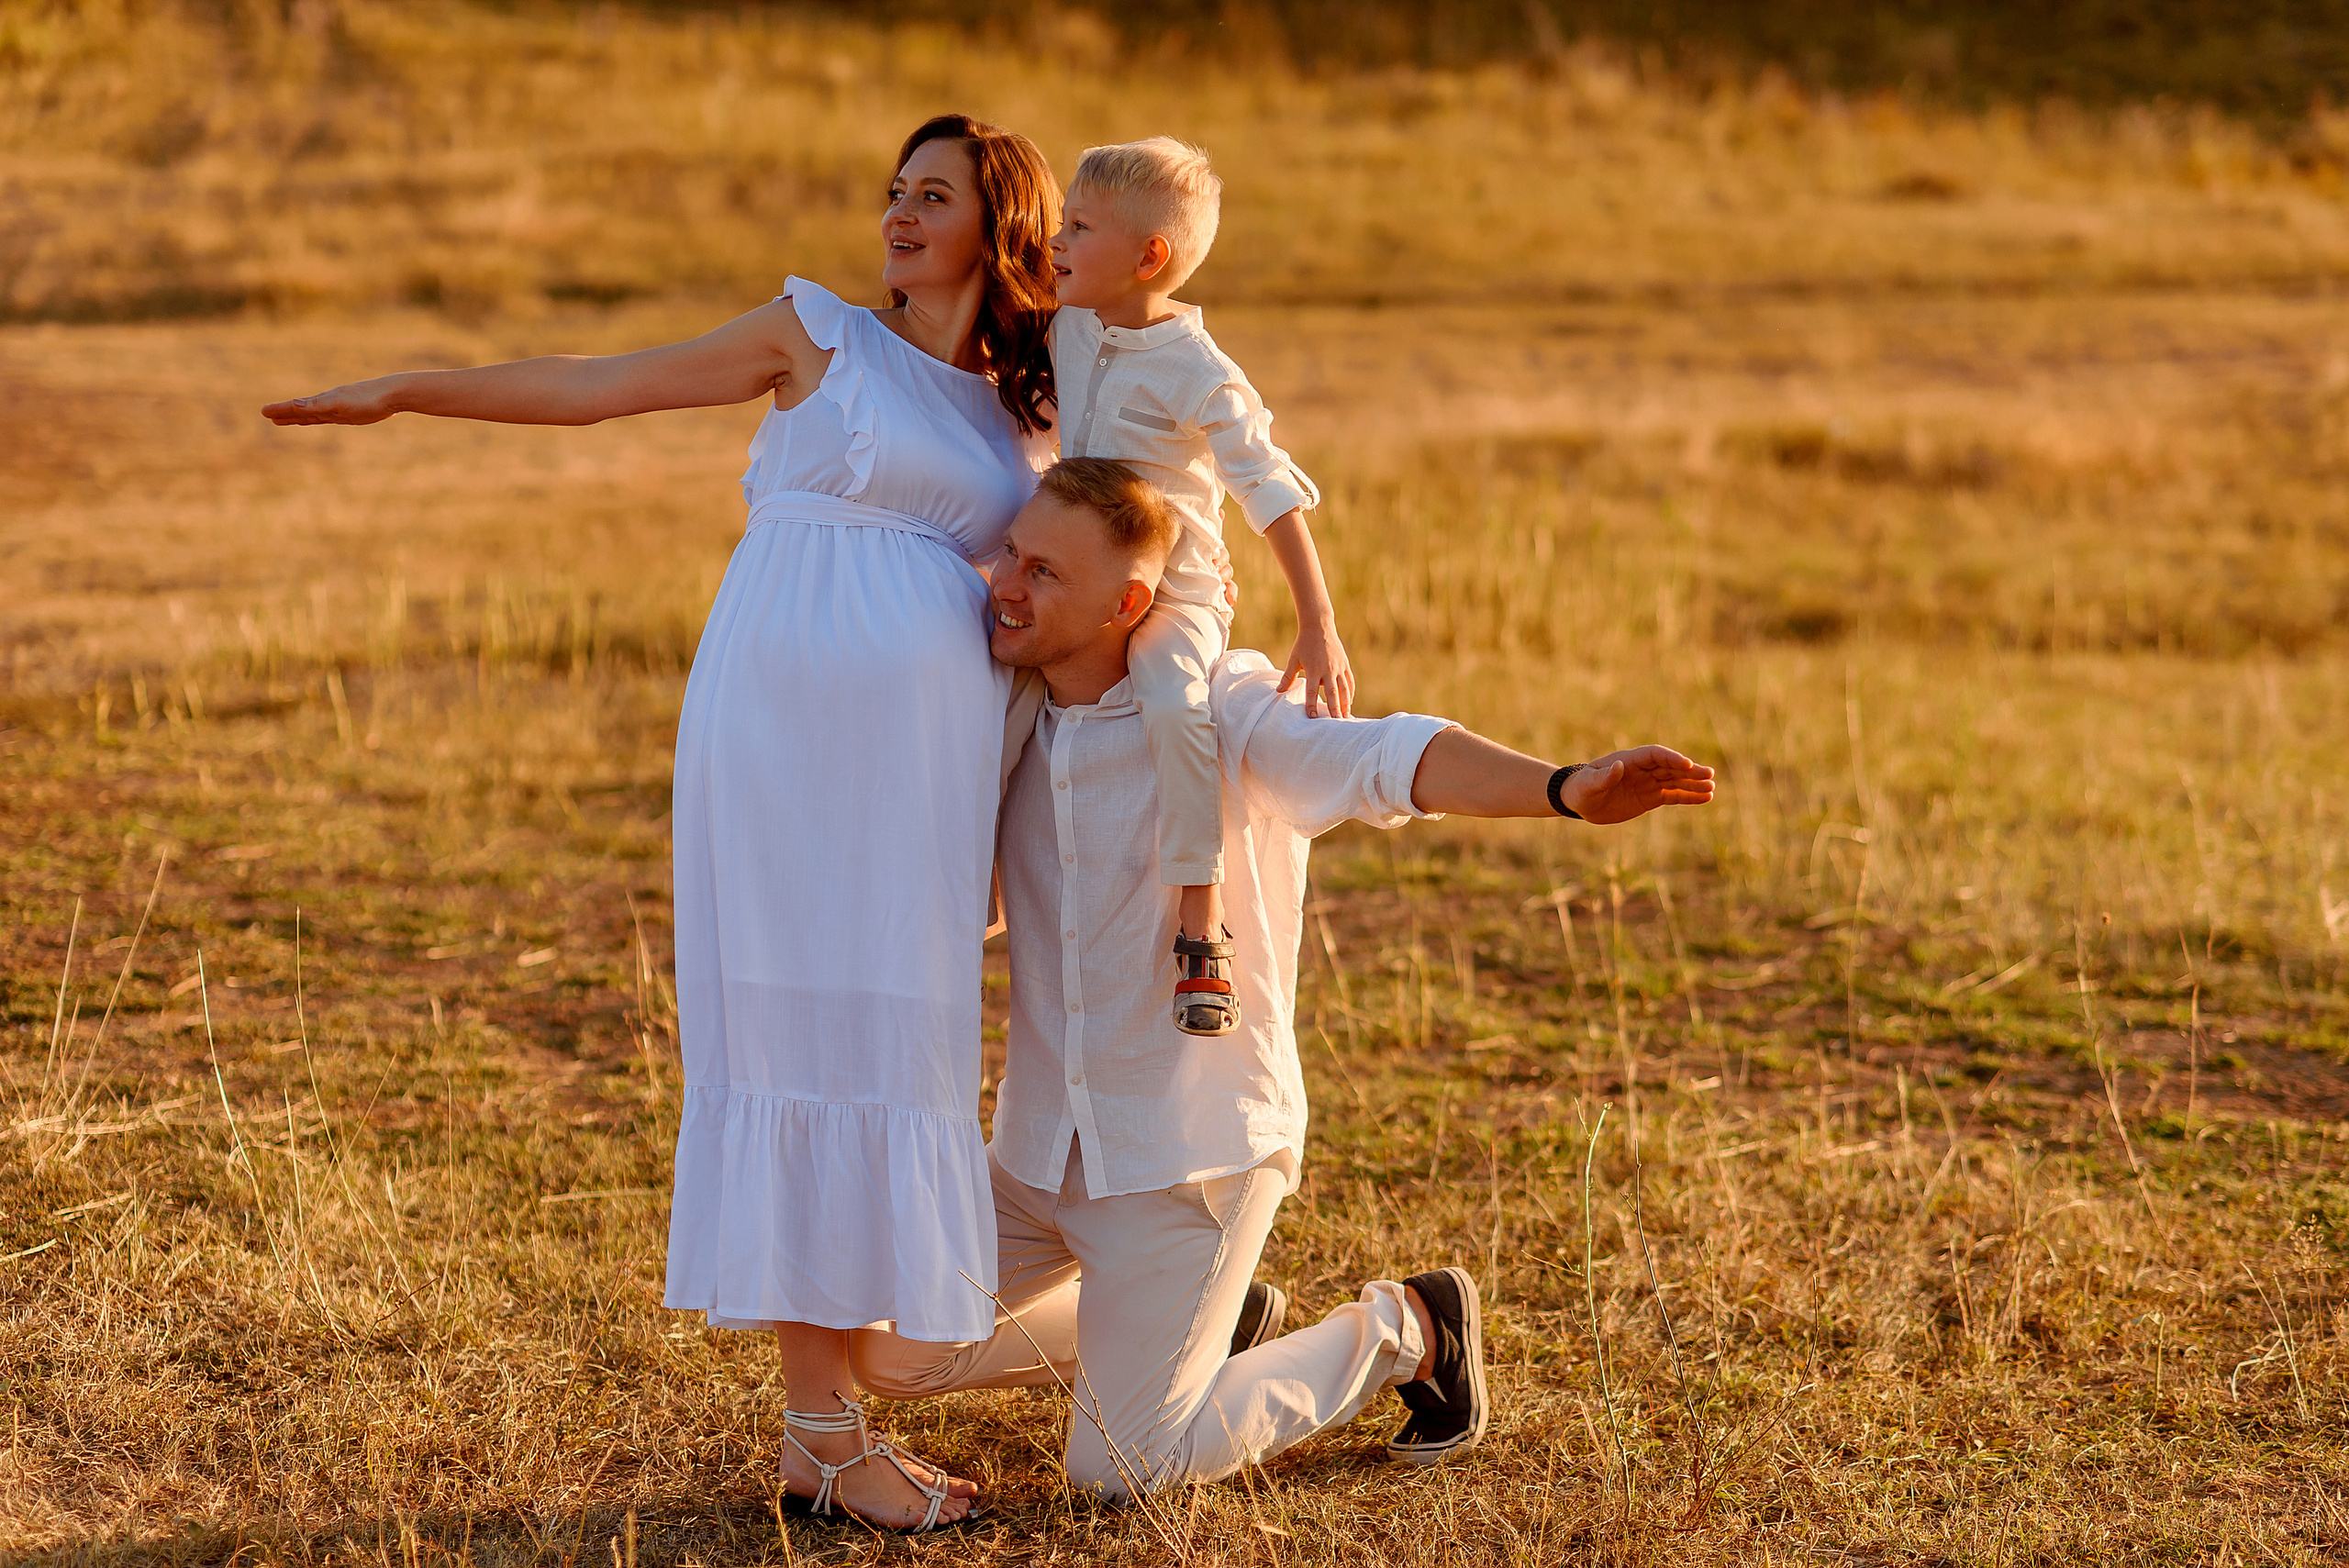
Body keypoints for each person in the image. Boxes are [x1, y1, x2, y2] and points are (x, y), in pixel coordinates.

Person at [262, 114, 1065, 1532]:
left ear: (1000, 222)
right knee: (800, 1036)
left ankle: (831, 1429)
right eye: (891, 188)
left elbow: (1057, 610)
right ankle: (819, 1428)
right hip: (778, 738)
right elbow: (599, 385)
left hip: (923, 770)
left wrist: (1005, 824)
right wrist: (408, 390)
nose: (894, 212)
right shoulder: (815, 333)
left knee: (893, 1042)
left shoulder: (1032, 412)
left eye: (929, 194)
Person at [852, 458, 1717, 1497]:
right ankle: (1215, 1327)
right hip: (1039, 1153)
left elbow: (1382, 755)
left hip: (1187, 1163)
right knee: (888, 1351)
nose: (1005, 582)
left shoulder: (1226, 709)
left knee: (1119, 1469)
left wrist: (1563, 788)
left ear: (1129, 603)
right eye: (1010, 554)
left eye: (1042, 570)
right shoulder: (1008, 716)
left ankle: (1409, 1327)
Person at [1043, 138, 1347, 1040]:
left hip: (1173, 593)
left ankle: (1199, 924)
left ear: (1150, 259)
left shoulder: (1199, 369)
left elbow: (1269, 489)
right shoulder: (1066, 324)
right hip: (1068, 582)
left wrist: (1317, 622)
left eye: (1079, 227)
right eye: (1061, 220)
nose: (1057, 241)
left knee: (1177, 704)